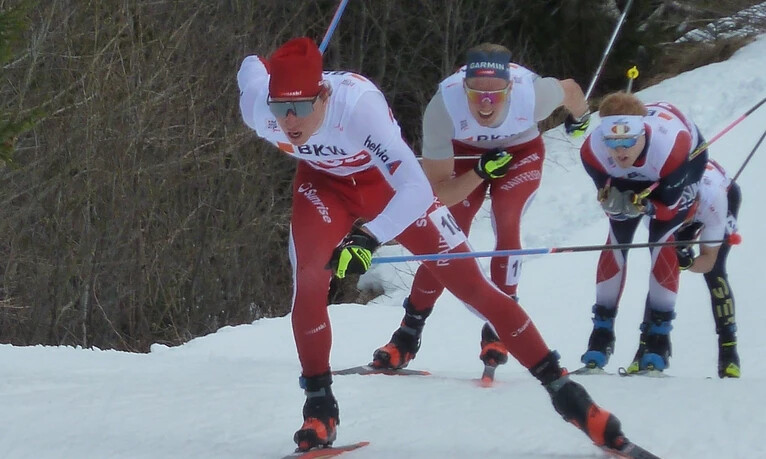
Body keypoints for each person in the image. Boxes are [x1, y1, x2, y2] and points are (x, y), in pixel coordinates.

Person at [238, 37, 634, 454]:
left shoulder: (358, 109)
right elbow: (249, 67)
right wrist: (265, 64)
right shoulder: (258, 109)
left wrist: (369, 236)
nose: (289, 121)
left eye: (300, 107)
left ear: (324, 95)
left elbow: (414, 185)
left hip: (387, 188)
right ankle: (319, 407)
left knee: (473, 286)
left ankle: (571, 398)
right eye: (281, 108)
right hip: (323, 188)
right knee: (309, 277)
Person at [371, 43, 591, 379]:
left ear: (510, 87)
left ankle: (498, 326)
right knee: (446, 233)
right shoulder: (442, 108)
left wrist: (581, 118)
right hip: (465, 155)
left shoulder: (535, 95)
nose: (485, 102)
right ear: (464, 86)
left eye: (495, 93)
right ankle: (408, 333)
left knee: (507, 215)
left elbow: (572, 90)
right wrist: (479, 173)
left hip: (521, 152)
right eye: (476, 92)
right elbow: (440, 193)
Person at [578, 92, 708, 374]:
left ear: (642, 135)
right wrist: (614, 205)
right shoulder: (592, 151)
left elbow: (666, 210)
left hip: (680, 165)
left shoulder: (671, 146)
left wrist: (646, 206)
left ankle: (659, 339)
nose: (620, 150)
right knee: (617, 236)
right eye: (612, 142)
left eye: (627, 141)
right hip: (633, 175)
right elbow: (610, 200)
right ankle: (601, 334)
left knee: (660, 238)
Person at [674, 159, 742, 378]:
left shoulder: (714, 201)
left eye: (686, 221)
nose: (685, 227)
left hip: (722, 198)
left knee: (715, 272)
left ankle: (729, 351)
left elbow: (708, 261)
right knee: (664, 266)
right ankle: (650, 348)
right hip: (679, 202)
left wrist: (689, 263)